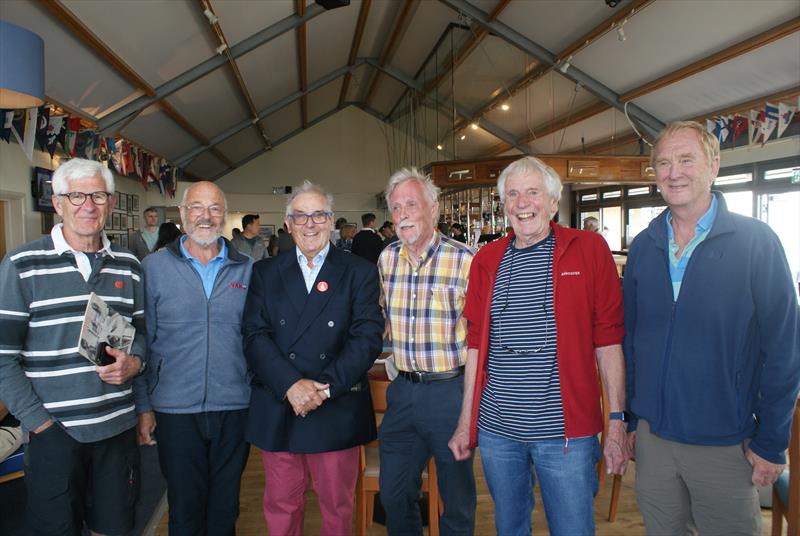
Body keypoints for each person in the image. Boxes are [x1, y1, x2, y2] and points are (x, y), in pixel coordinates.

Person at [624, 121, 800, 535]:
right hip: (654, 437)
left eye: (686, 160)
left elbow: (784, 350)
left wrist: (772, 440)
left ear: (714, 166)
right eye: (663, 163)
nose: (674, 172)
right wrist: (633, 420)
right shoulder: (644, 247)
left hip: (724, 438)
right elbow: (632, 341)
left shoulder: (757, 242)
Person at [448, 156, 628, 535]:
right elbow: (476, 346)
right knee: (510, 527)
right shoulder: (487, 259)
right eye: (512, 194)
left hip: (566, 434)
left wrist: (616, 420)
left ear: (552, 202)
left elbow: (608, 338)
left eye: (532, 192)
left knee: (573, 529)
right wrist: (467, 421)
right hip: (499, 431)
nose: (522, 203)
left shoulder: (590, 249)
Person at [0, 158, 147, 535]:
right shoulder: (22, 264)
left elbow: (143, 336)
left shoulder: (129, 266)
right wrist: (41, 425)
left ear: (111, 203)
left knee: (114, 528)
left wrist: (136, 363)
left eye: (98, 195)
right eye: (76, 195)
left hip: (117, 432)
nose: (88, 205)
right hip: (54, 433)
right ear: (57, 202)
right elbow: (3, 359)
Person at [242, 181, 383, 536]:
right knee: (281, 506)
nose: (310, 223)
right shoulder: (265, 272)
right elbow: (254, 335)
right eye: (300, 216)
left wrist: (322, 389)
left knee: (337, 509)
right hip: (281, 403)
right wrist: (291, 385)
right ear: (288, 224)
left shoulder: (359, 272)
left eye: (318, 214)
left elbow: (366, 338)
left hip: (335, 404)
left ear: (332, 221)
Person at [137, 181, 253, 535]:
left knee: (225, 508)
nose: (206, 216)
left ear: (223, 214)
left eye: (215, 208)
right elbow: (140, 339)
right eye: (197, 207)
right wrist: (144, 406)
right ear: (183, 214)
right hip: (174, 408)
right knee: (185, 509)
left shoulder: (248, 269)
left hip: (234, 406)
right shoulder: (153, 268)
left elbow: (259, 338)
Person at [377, 168, 477, 536]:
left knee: (457, 497)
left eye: (411, 205)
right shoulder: (386, 260)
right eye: (396, 207)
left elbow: (484, 333)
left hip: (450, 393)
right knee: (393, 493)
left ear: (432, 209)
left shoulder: (465, 260)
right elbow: (386, 317)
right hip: (402, 392)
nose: (402, 214)